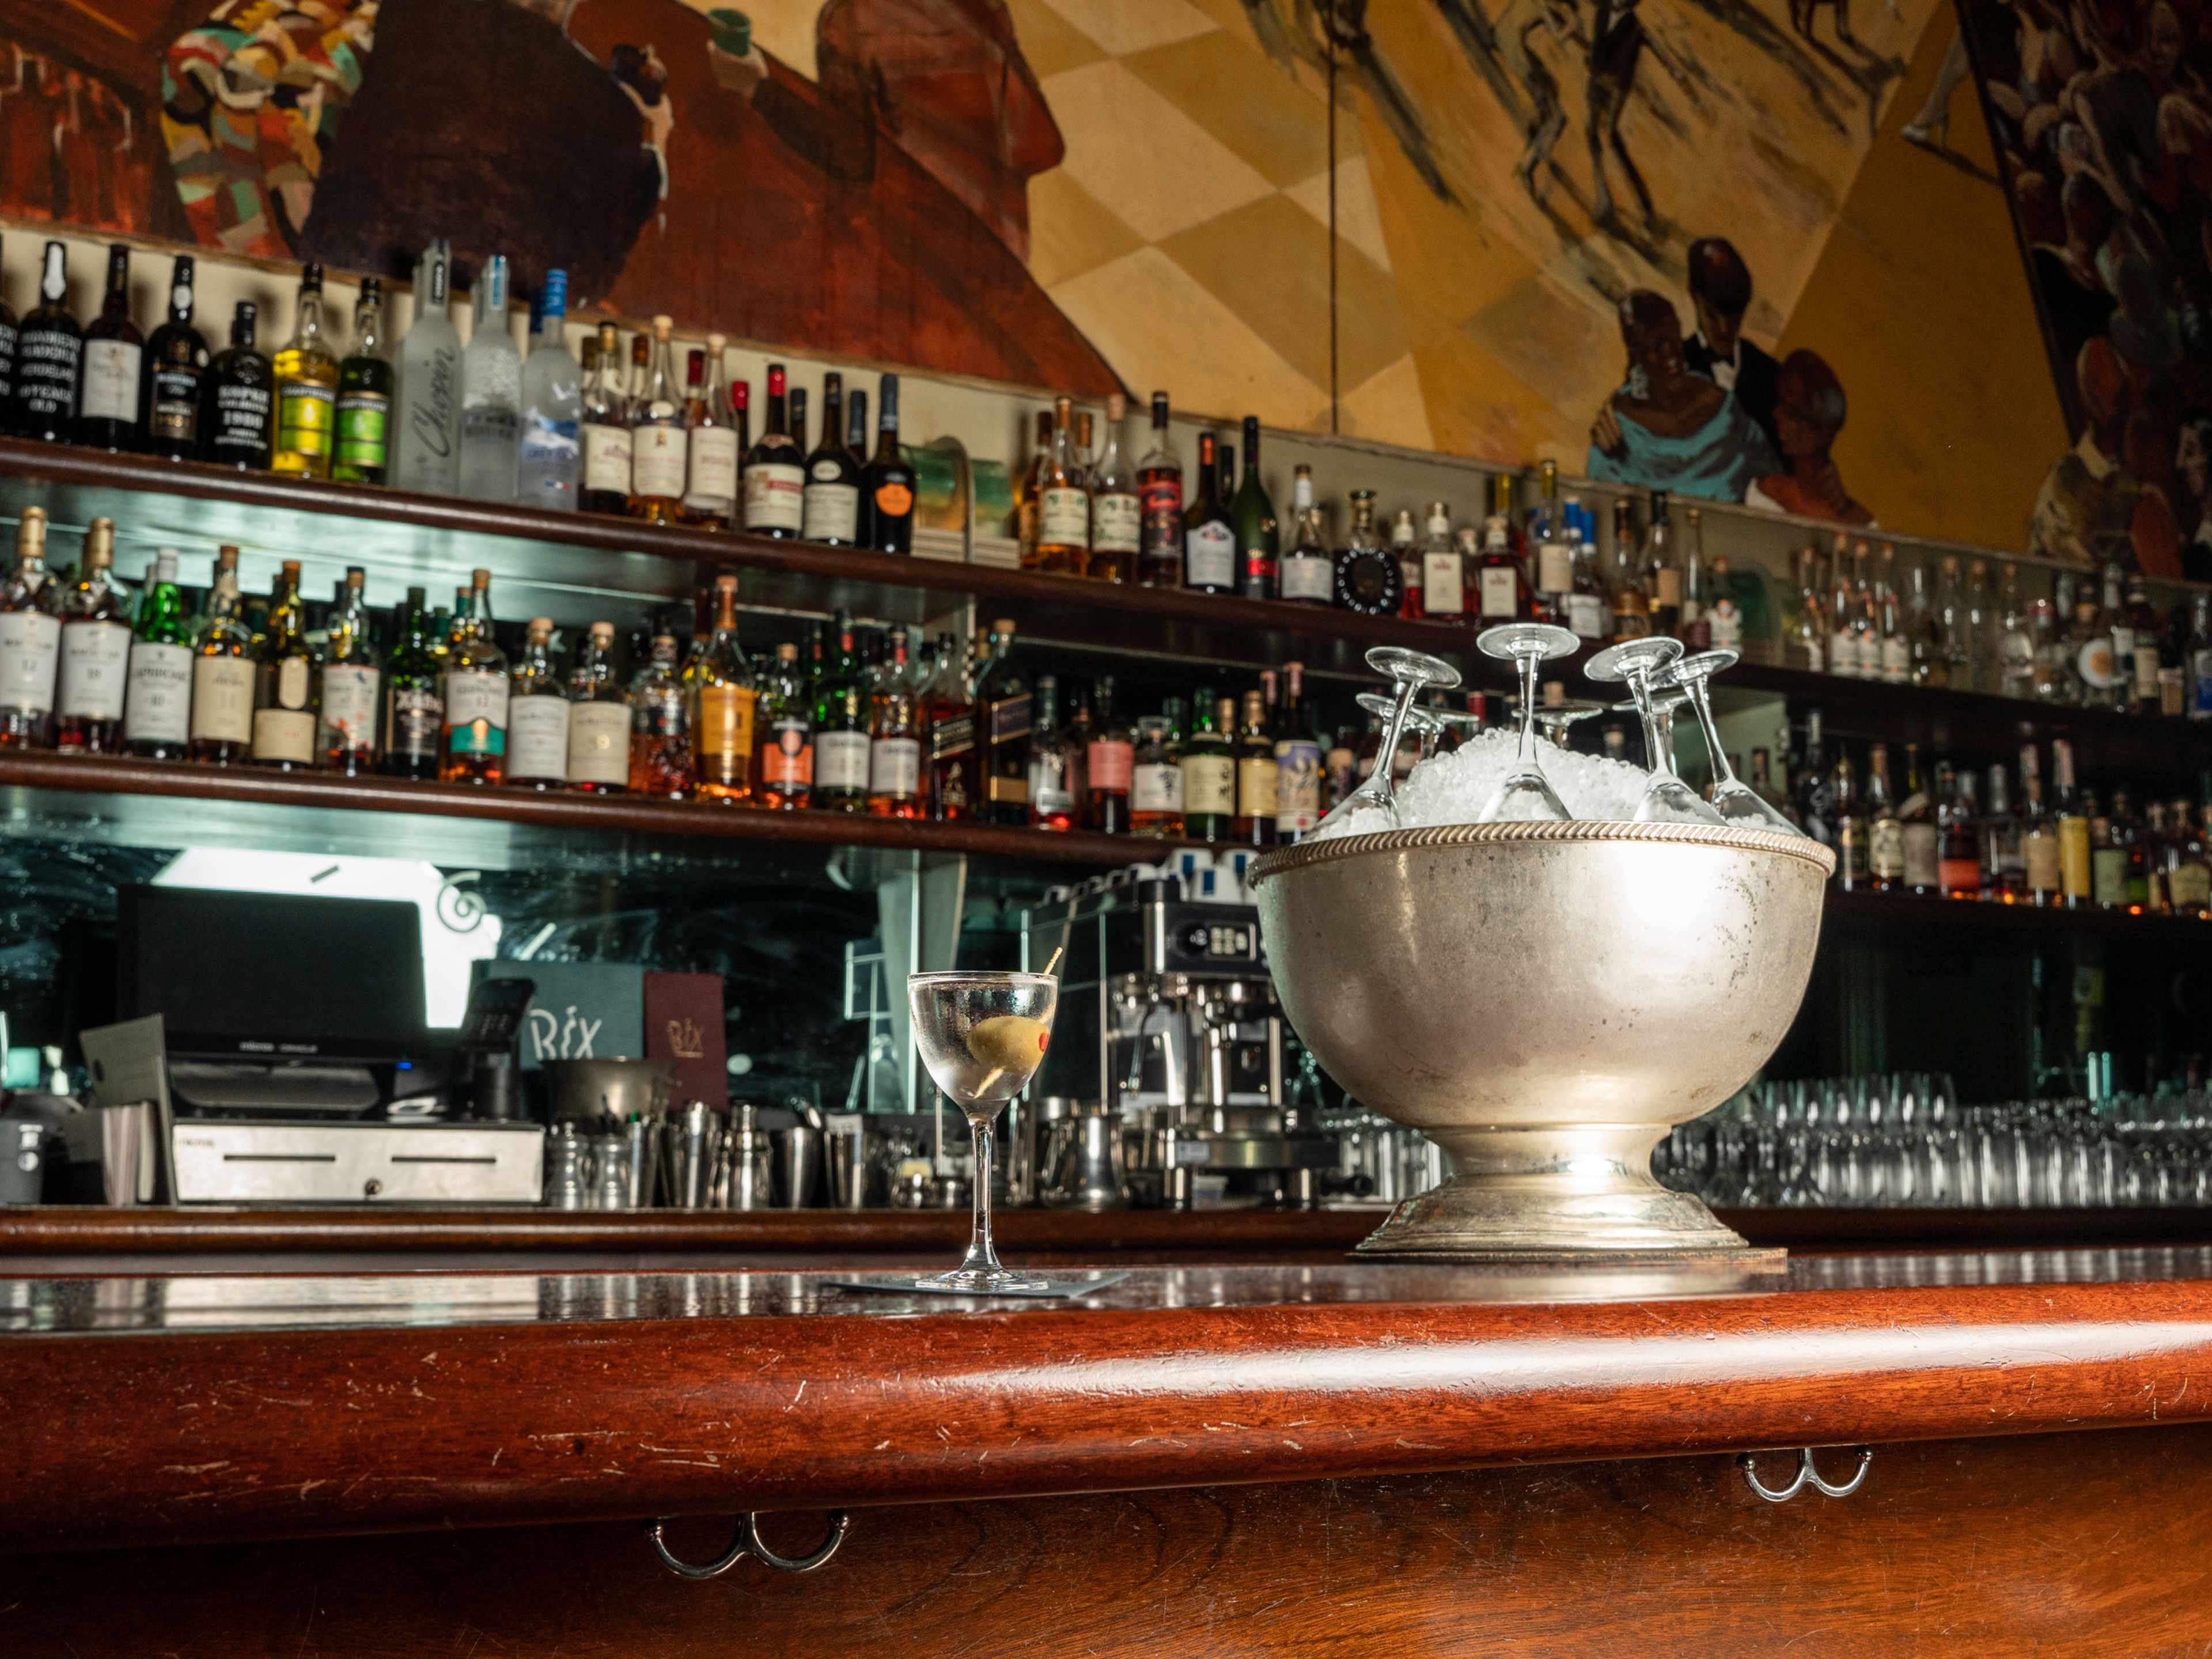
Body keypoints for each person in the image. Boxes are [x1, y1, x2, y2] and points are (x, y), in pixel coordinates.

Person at [1587, 290, 1778, 500]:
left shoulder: (1723, 405)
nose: (1669, 350)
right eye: (1655, 343)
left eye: (1672, 334)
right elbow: (1601, 498)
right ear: (1636, 351)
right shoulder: (1618, 428)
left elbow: (1768, 469)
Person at [1745, 349, 1873, 524]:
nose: (1776, 414)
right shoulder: (1769, 489)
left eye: (1792, 413)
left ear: (1818, 431)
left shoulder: (1853, 513)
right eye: (1779, 403)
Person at [1681, 237, 1782, 456]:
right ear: (1693, 297)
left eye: (1735, 317)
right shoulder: (1671, 370)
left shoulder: (1771, 375)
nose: (1725, 330)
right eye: (1712, 315)